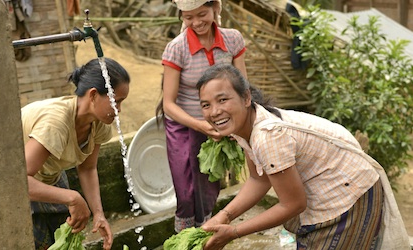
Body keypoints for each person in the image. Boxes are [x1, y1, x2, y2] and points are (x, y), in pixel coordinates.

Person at [197, 64, 410, 250]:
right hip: (335, 187)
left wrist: (233, 232)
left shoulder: (267, 136)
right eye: (206, 105)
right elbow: (258, 179)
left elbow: (293, 204)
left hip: (349, 194)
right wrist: (225, 215)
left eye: (222, 100)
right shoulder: (247, 125)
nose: (214, 112)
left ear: (246, 98)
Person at [157, 0, 247, 233]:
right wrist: (199, 125)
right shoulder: (177, 48)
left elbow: (242, 87)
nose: (196, 23)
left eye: (202, 14)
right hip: (183, 125)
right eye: (188, 17)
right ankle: (185, 238)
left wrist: (236, 124)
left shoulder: (233, 40)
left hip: (218, 124)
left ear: (215, 8)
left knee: (208, 189)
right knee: (186, 192)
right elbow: (168, 104)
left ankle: (203, 237)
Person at [21, 57, 130, 250]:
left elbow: (88, 168)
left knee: (65, 239)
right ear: (94, 95)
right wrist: (73, 197)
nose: (118, 110)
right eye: (116, 101)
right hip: (16, 183)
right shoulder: (55, 123)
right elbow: (19, 181)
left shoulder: (99, 122)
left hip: (50, 175)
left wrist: (98, 214)